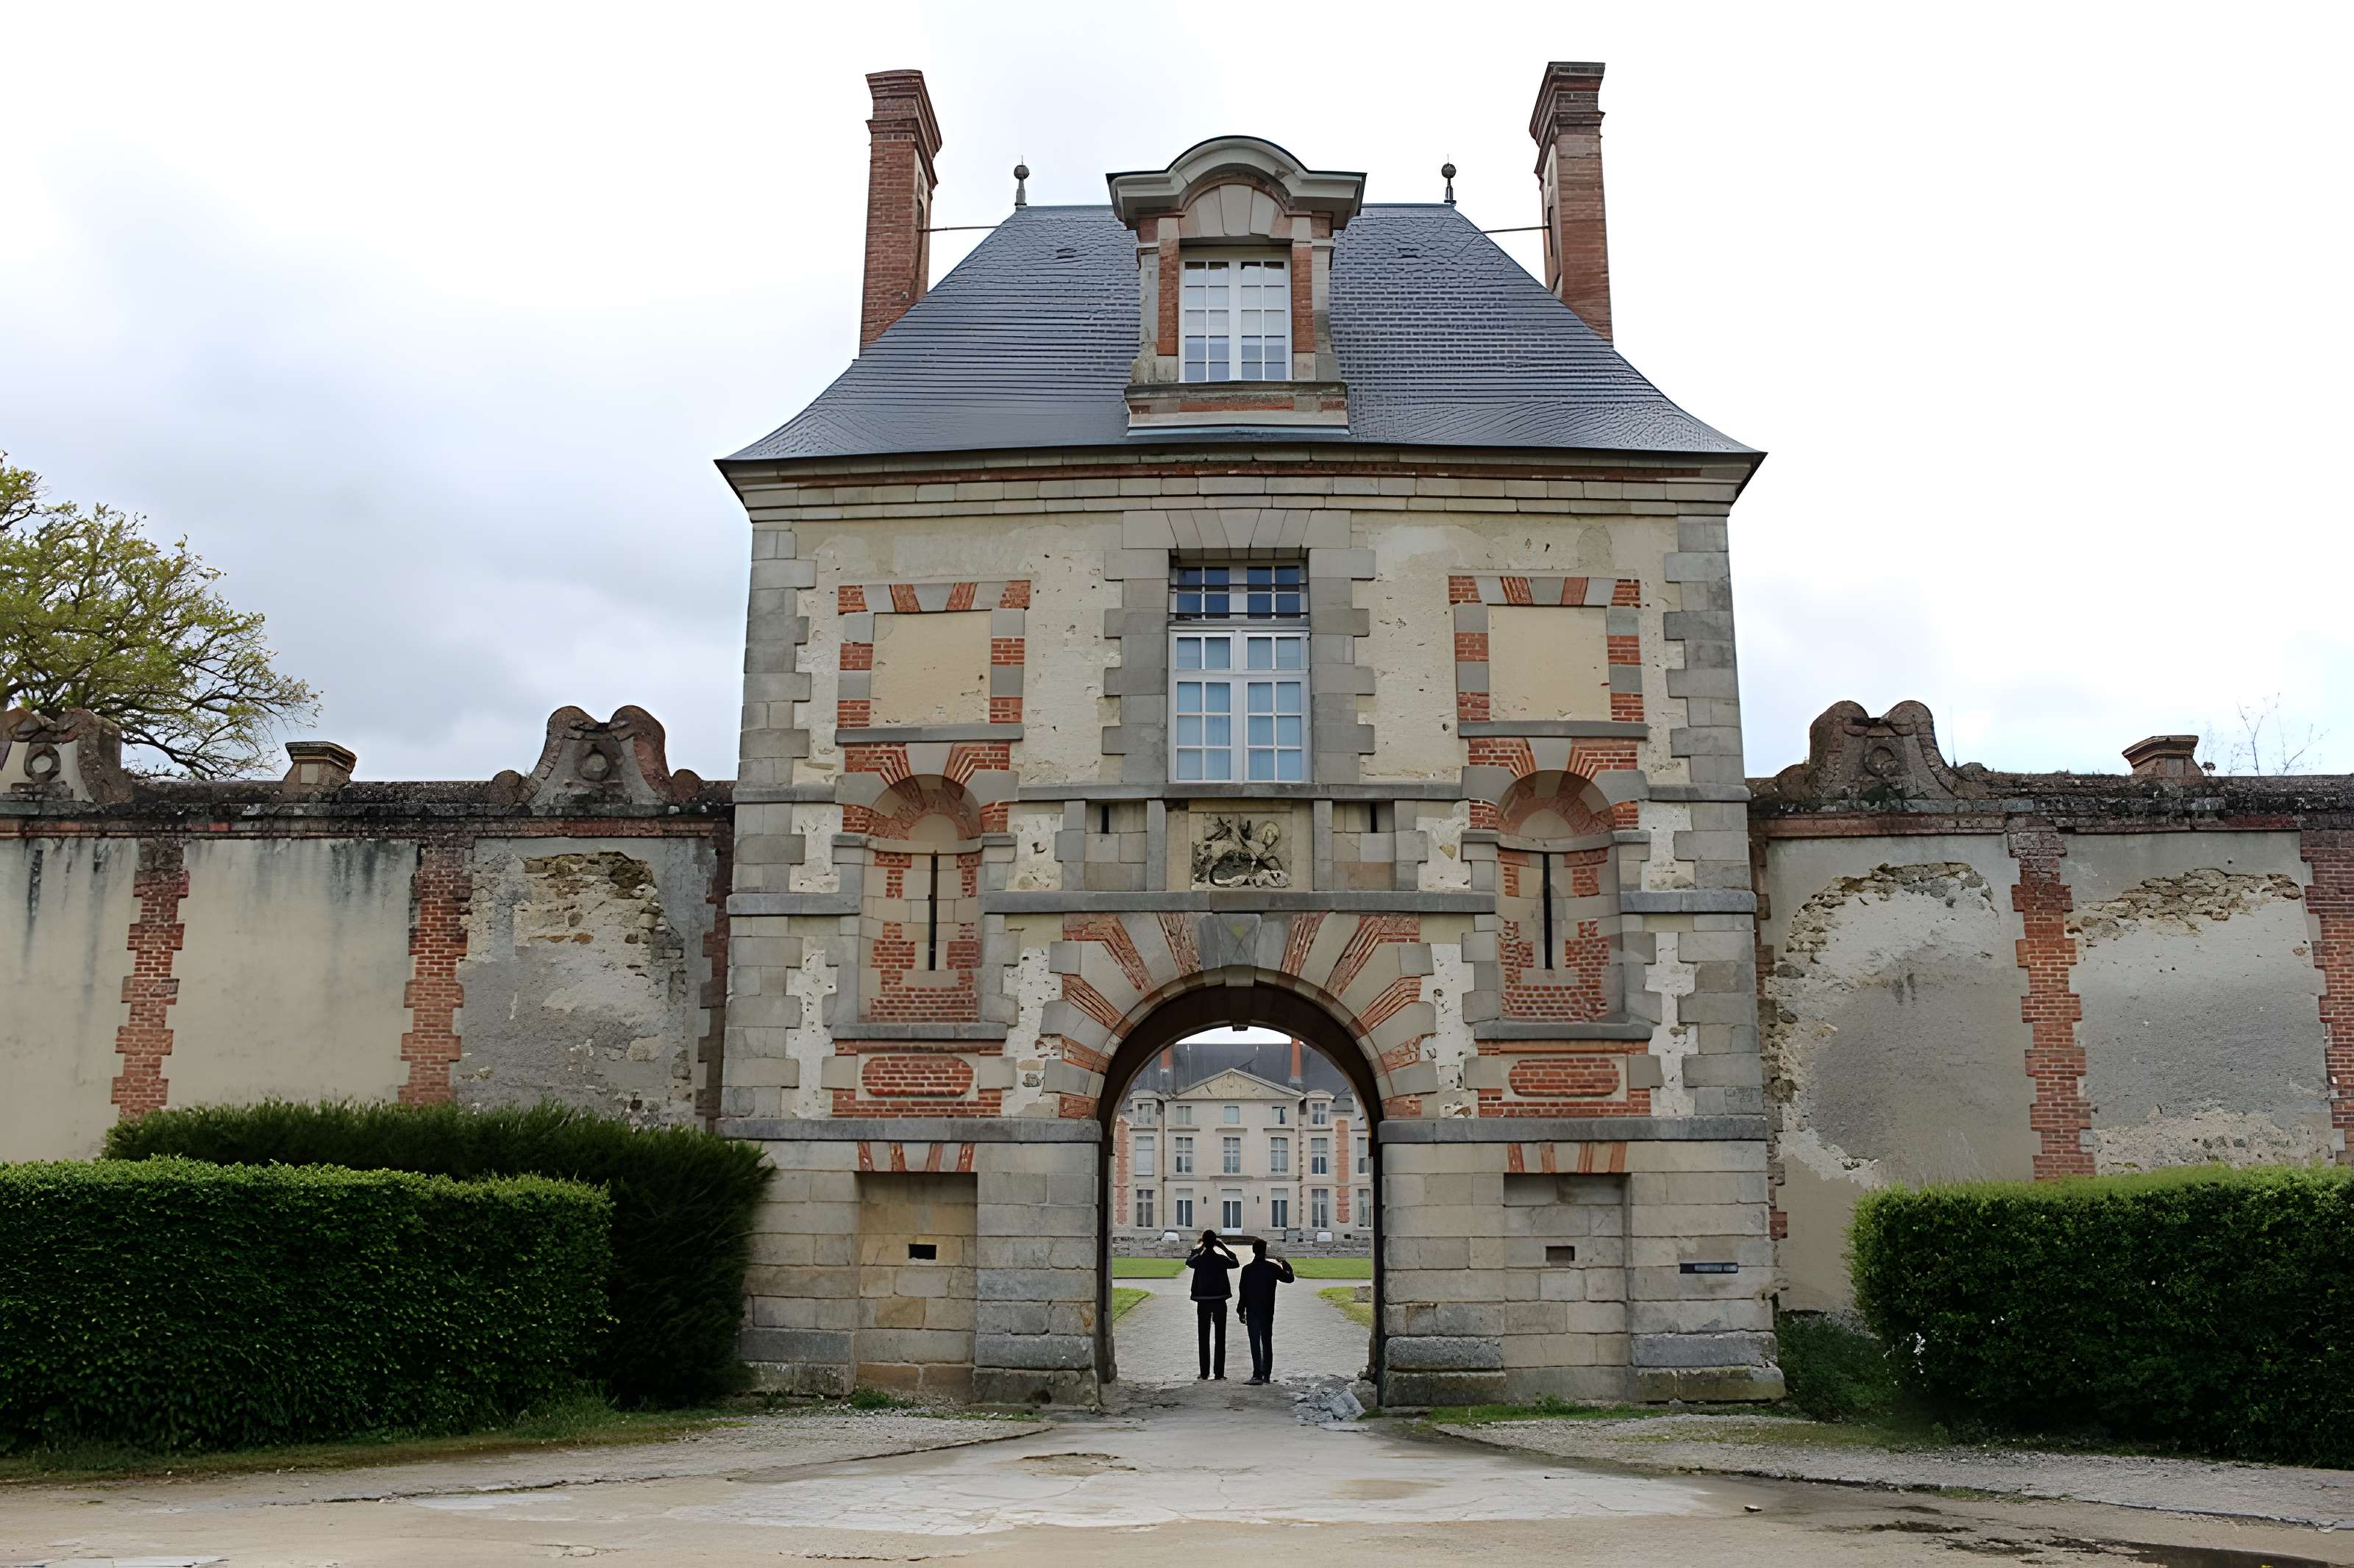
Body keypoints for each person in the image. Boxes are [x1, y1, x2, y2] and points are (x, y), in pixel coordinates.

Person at [1235, 1238, 1296, 1385]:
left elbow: (1243, 1292)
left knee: (1255, 1342)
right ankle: (1267, 1374)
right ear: (1265, 1251)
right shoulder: (1272, 1268)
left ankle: (1257, 1374)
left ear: (1253, 1251)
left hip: (1252, 1309)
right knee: (1267, 1341)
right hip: (1268, 1309)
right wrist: (1284, 1263)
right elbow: (1289, 1278)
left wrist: (1240, 1310)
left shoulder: (1247, 1270)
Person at [1184, 1229, 1239, 1380]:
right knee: (1220, 1337)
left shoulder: (1199, 1260)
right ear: (1215, 1243)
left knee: (1203, 1336)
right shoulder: (1221, 1259)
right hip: (1220, 1300)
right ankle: (1219, 1373)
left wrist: (1200, 1247)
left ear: (1204, 1242)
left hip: (1203, 1301)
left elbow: (1189, 1261)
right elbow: (1236, 1263)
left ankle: (1204, 1373)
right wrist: (1224, 1248)